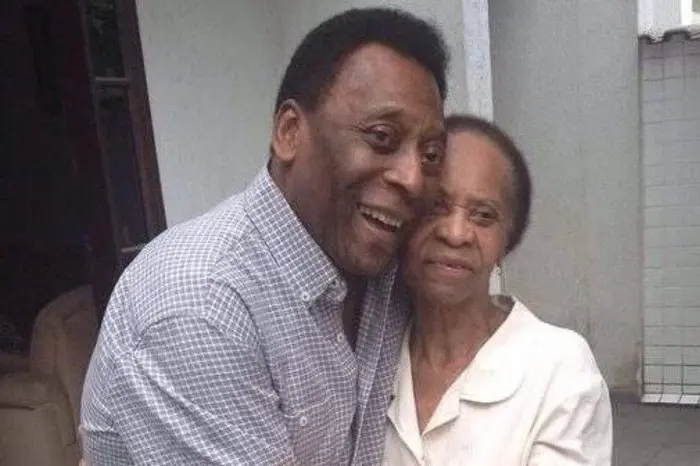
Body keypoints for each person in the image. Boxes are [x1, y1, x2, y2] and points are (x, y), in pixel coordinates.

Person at [80, 7, 450, 466]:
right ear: (290, 132)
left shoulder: (389, 272)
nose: (412, 178)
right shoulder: (201, 306)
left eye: (431, 155)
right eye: (381, 137)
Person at [383, 114, 613, 465]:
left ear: (507, 241)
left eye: (484, 215)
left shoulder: (559, 368)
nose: (455, 233)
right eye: (436, 206)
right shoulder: (372, 354)